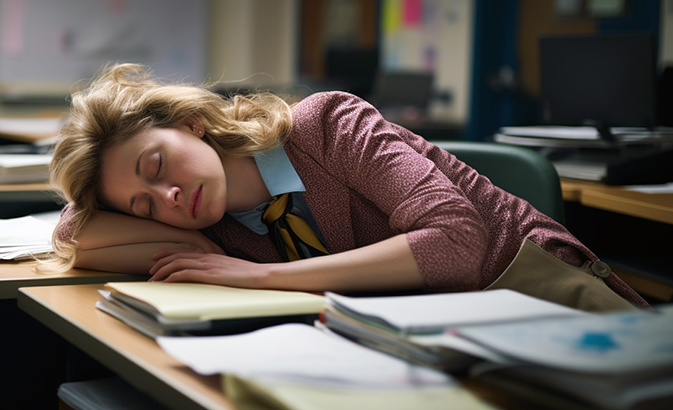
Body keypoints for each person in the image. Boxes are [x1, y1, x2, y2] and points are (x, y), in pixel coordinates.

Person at [45, 63, 648, 312]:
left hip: (531, 290)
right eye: (145, 206)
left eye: (156, 167)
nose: (169, 199)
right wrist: (200, 250)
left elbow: (457, 243)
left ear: (192, 124)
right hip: (431, 326)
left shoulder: (326, 124)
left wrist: (265, 277)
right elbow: (73, 229)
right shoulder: (218, 226)